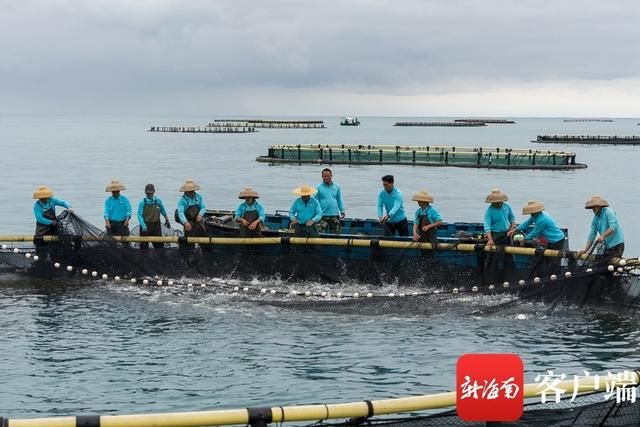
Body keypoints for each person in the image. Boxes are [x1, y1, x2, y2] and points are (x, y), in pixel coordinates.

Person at [578, 195, 624, 259]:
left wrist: (603, 236)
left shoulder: (608, 212)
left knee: (611, 264)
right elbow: (592, 234)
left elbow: (613, 227)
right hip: (608, 246)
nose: (594, 209)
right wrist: (585, 250)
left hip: (617, 244)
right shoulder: (596, 218)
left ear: (600, 206)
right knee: (604, 265)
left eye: (595, 206)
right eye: (592, 207)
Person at [32, 185, 71, 258]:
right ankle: (41, 259)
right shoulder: (37, 206)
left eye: (45, 197)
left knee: (57, 243)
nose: (44, 199)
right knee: (41, 246)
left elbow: (62, 202)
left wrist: (69, 207)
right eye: (42, 198)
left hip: (53, 227)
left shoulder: (52, 200)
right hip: (42, 229)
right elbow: (39, 218)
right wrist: (50, 222)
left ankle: (56, 258)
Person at [137, 184, 171, 250]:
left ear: (154, 192)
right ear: (145, 193)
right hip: (145, 226)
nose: (149, 194)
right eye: (147, 193)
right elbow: (139, 215)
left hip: (156, 226)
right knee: (144, 247)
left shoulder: (158, 201)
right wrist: (143, 226)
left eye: (150, 193)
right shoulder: (142, 203)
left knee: (159, 247)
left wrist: (167, 219)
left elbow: (163, 210)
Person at [316, 168, 345, 234]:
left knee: (336, 233)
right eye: (325, 176)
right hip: (322, 215)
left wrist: (342, 210)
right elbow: (315, 201)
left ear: (331, 176)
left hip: (334, 214)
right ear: (322, 177)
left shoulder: (336, 187)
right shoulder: (318, 188)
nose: (326, 178)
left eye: (328, 176)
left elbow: (339, 199)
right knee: (320, 233)